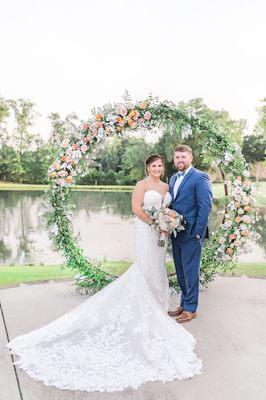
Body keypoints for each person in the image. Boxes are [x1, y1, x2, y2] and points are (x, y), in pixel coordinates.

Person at [7, 154, 202, 393]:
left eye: (161, 165)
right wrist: (156, 224)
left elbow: (170, 207)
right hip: (146, 231)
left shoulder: (166, 184)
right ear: (147, 167)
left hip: (161, 235)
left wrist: (166, 223)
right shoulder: (141, 185)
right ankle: (144, 306)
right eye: (154, 165)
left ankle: (157, 305)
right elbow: (135, 208)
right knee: (144, 267)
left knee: (157, 267)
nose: (158, 168)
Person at [169, 145, 213, 323]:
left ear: (190, 158)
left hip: (192, 233)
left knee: (191, 271)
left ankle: (191, 309)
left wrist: (198, 233)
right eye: (177, 157)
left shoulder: (200, 177)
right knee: (181, 271)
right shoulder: (173, 178)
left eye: (183, 157)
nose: (180, 160)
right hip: (176, 232)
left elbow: (205, 206)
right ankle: (183, 304)